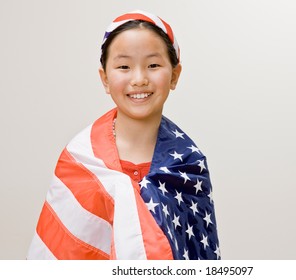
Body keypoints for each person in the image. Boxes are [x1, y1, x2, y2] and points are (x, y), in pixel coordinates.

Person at [27, 10, 220, 260]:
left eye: (153, 65)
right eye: (124, 67)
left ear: (174, 75)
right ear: (105, 79)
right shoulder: (81, 160)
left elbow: (198, 253)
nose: (139, 79)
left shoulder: (188, 164)